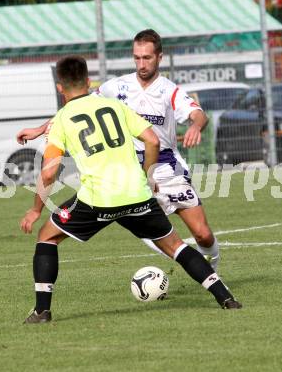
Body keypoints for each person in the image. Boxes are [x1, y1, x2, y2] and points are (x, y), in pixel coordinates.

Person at [20, 55, 241, 323]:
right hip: (137, 193)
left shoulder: (62, 119)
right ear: (89, 81)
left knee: (47, 236)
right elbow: (151, 140)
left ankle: (42, 311)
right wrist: (148, 176)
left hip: (97, 201)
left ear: (59, 88)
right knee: (176, 246)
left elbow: (49, 170)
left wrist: (35, 210)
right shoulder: (114, 106)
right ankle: (225, 297)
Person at [17, 30, 216, 270]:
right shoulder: (117, 86)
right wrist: (41, 129)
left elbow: (198, 114)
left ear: (160, 57)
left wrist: (196, 125)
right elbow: (79, 106)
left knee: (203, 234)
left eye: (147, 58)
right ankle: (196, 269)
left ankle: (213, 266)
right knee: (151, 232)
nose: (141, 64)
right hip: (130, 171)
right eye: (137, 58)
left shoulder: (169, 90)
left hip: (164, 163)